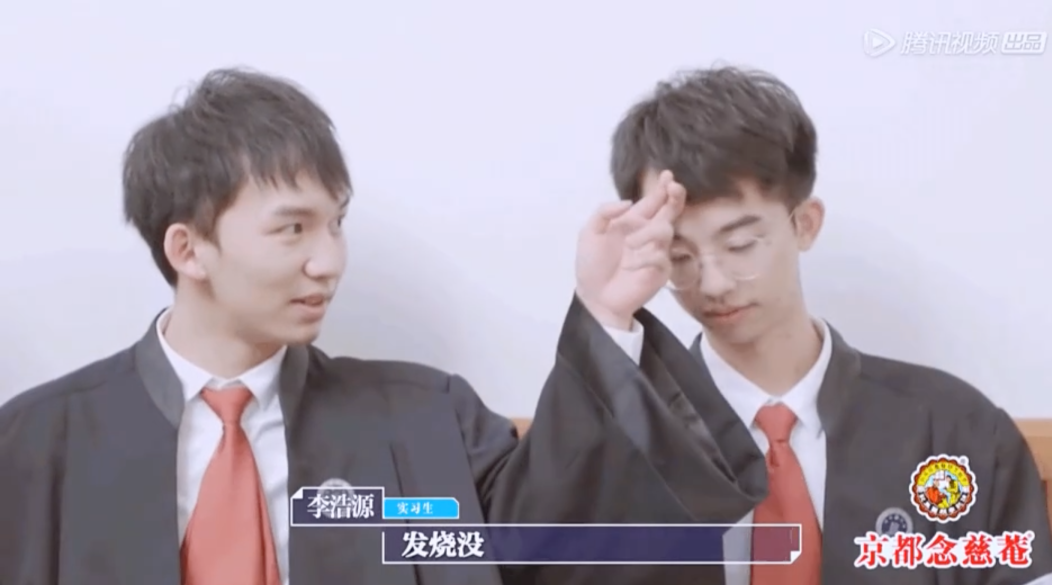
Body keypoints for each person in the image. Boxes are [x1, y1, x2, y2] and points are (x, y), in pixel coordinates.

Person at [0, 69, 766, 585]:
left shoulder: (424, 416)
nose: (329, 260)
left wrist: (605, 312)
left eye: (336, 223)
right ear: (187, 248)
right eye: (293, 229)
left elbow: (557, 544)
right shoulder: (36, 444)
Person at [607, 66, 1052, 584]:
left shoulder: (954, 430)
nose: (712, 283)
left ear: (805, 223)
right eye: (680, 255)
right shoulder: (630, 437)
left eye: (739, 245)